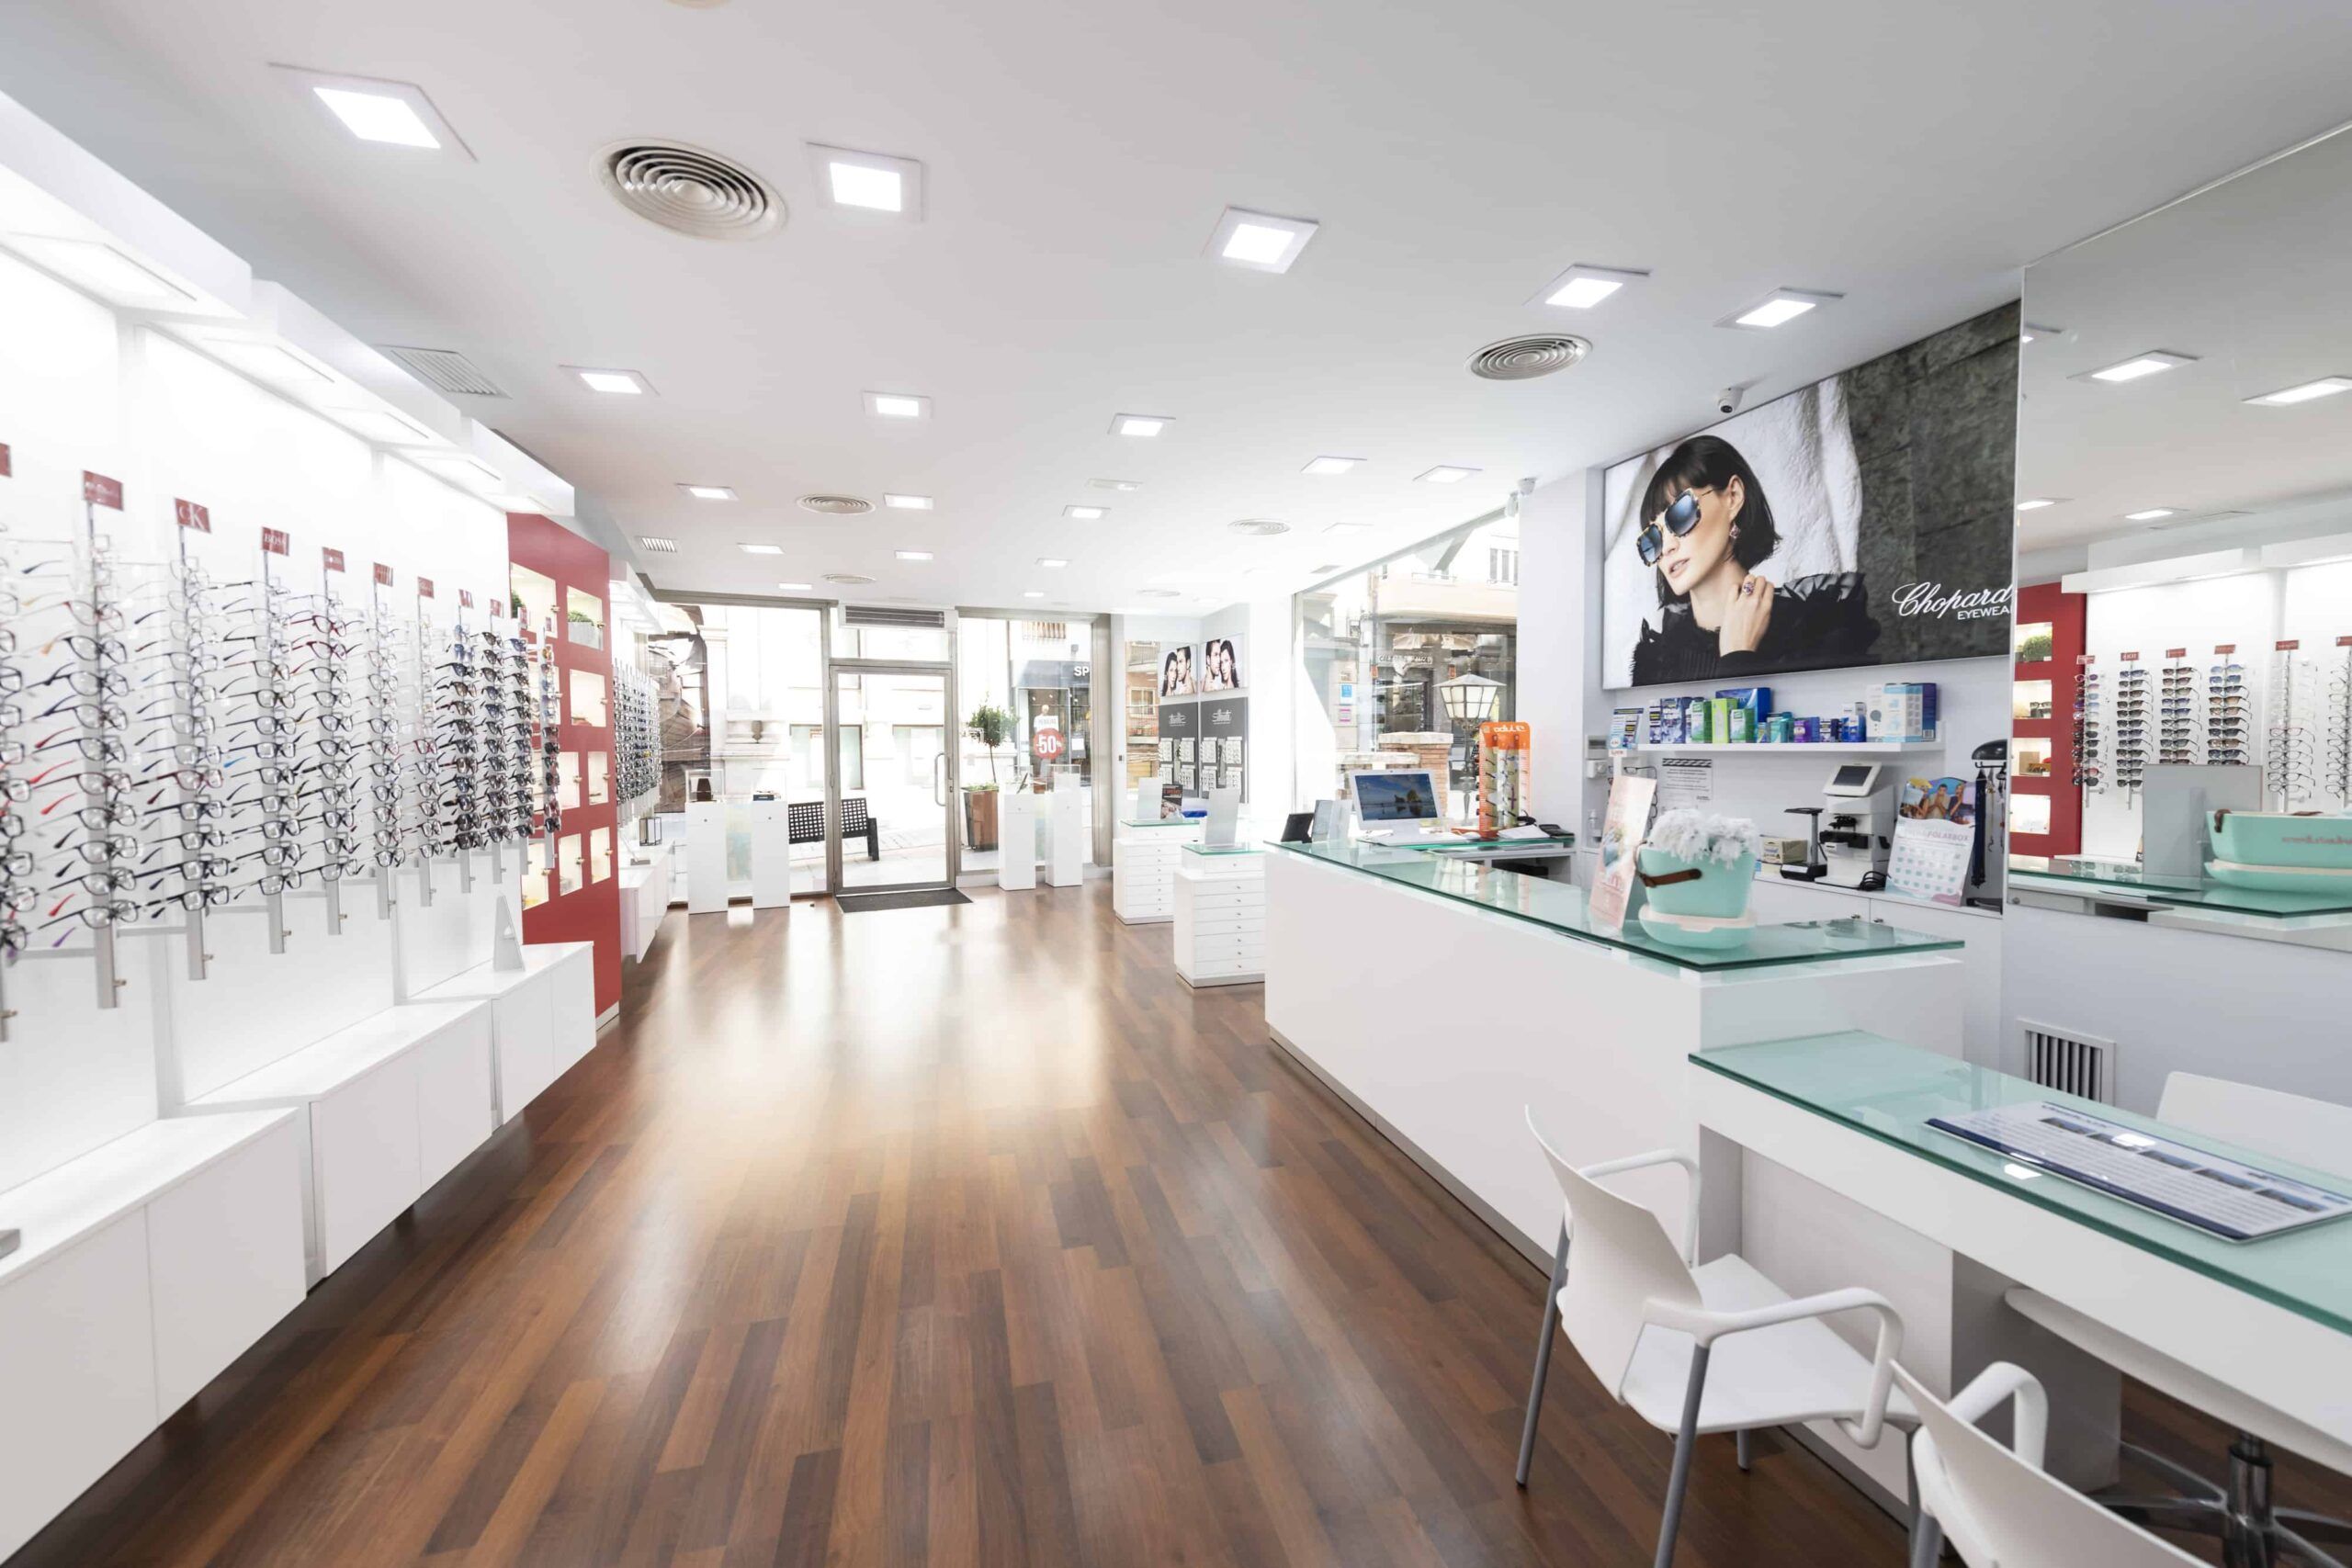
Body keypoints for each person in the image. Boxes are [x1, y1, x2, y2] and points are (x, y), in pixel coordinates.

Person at [1627, 434, 1879, 683]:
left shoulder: (1815, 627)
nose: (1666, 547)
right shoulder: (1656, 662)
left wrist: (1739, 658)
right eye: (1652, 539)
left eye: (1680, 515)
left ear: (1733, 496)